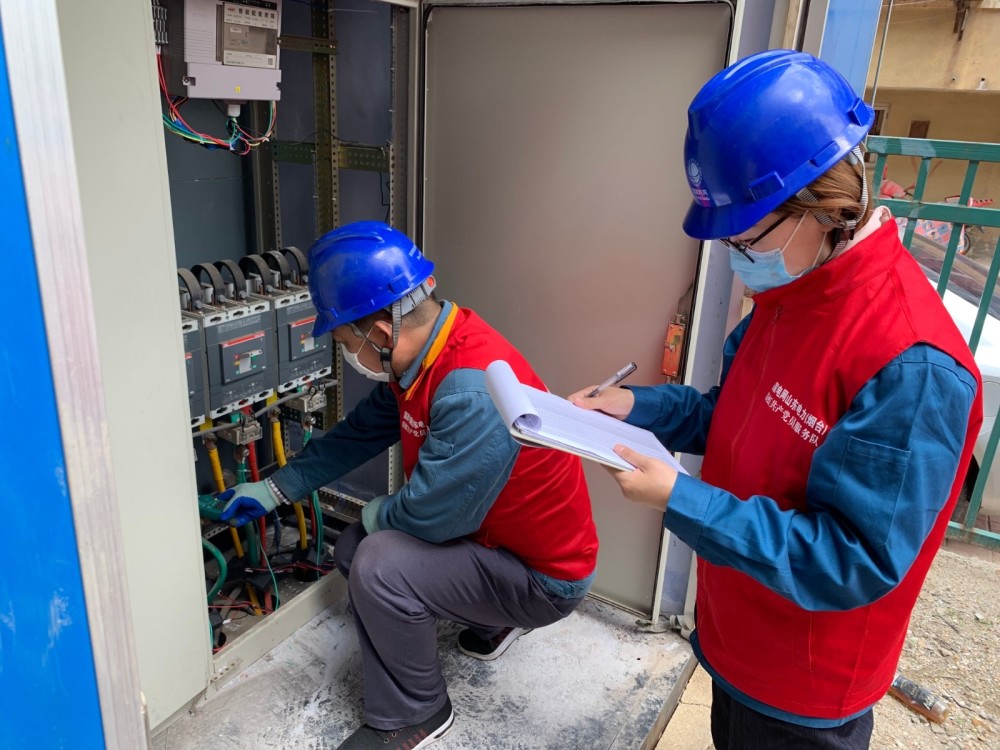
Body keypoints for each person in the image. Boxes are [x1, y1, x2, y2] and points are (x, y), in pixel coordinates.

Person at [570, 50, 983, 750]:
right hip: (739, 641)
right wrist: (636, 408)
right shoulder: (793, 293)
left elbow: (853, 558)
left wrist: (681, 498)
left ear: (820, 207)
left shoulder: (912, 364)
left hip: (805, 689)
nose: (736, 254)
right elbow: (733, 417)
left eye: (746, 234)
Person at [217, 221, 599, 750]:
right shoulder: (429, 353)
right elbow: (357, 435)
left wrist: (373, 515)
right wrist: (276, 489)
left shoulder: (469, 388)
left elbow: (431, 518)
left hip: (544, 579)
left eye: (344, 341)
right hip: (503, 543)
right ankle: (492, 620)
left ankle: (415, 711)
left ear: (379, 332)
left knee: (375, 561)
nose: (346, 353)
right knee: (363, 548)